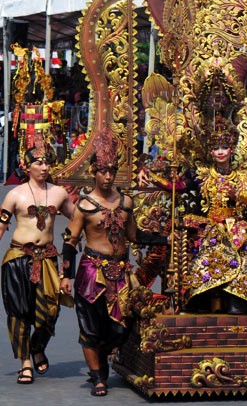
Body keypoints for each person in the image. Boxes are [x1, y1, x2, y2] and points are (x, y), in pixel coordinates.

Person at [60, 128, 172, 397]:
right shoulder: (85, 206)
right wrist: (66, 275)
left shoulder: (126, 202)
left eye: (112, 171)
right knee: (90, 325)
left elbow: (133, 235)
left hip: (121, 271)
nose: (108, 176)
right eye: (103, 171)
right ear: (93, 172)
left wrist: (164, 238)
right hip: (91, 271)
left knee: (120, 327)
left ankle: (101, 360)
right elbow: (70, 242)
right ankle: (98, 376)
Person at [0, 134, 75, 385]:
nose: (44, 167)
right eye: (38, 163)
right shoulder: (15, 195)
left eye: (46, 162)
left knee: (50, 312)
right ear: (27, 166)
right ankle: (25, 363)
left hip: (47, 260)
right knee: (19, 312)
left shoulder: (59, 193)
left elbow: (77, 224)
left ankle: (37, 346)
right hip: (18, 258)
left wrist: (68, 261)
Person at [181, 117, 247, 315]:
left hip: (236, 227)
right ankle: (209, 299)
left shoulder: (242, 177)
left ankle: (237, 301)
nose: (220, 151)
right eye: (216, 148)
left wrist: (237, 195)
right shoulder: (202, 175)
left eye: (224, 147)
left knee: (244, 256)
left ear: (231, 150)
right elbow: (179, 188)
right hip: (211, 226)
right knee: (209, 252)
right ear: (211, 153)